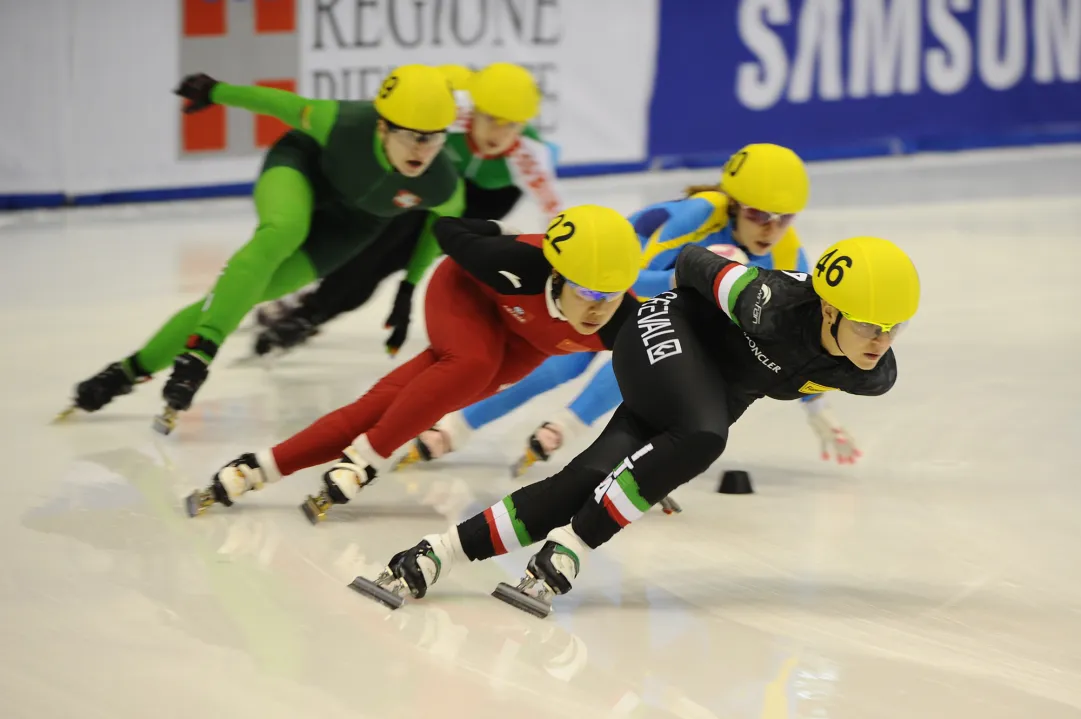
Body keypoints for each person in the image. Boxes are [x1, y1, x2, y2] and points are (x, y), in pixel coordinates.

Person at [346, 234, 921, 617]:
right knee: (704, 435)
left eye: (893, 328)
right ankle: (574, 544)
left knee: (582, 482)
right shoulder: (767, 301)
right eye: (871, 326)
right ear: (828, 309)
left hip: (703, 387)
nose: (881, 342)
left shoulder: (872, 373)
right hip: (664, 331)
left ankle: (435, 553)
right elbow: (694, 258)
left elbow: (804, 371)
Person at [398, 144, 863, 489]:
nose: (772, 229)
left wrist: (817, 406)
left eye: (785, 218)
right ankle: (457, 428)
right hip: (614, 275)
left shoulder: (787, 250)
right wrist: (695, 282)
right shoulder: (698, 216)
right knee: (574, 354)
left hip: (670, 292)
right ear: (736, 203)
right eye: (761, 215)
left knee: (660, 352)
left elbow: (796, 334)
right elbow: (633, 284)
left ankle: (560, 428)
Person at [59, 65, 463, 433]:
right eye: (415, 137)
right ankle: (202, 351)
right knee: (285, 229)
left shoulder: (442, 184)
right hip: (302, 168)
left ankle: (126, 372)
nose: (424, 151)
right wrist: (217, 91)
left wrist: (409, 287)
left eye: (436, 139)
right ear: (382, 128)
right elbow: (281, 104)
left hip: (353, 225)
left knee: (245, 293)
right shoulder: (343, 123)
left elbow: (435, 228)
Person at [184, 205, 645, 524]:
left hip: (522, 340)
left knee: (386, 406)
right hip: (464, 295)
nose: (599, 309)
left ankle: (257, 468)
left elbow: (655, 391)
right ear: (558, 273)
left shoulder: (623, 321)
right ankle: (366, 461)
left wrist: (650, 468)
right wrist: (489, 229)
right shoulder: (514, 262)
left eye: (610, 295)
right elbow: (446, 229)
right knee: (473, 364)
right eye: (587, 292)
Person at [253, 62, 564, 358]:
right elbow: (385, 116)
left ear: (524, 125)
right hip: (433, 181)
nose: (498, 133)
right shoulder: (449, 118)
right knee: (372, 239)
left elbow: (555, 220)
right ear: (474, 109)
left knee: (390, 261)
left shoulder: (530, 157)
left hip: (483, 201)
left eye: (511, 125)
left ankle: (311, 313)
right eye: (490, 118)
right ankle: (306, 302)